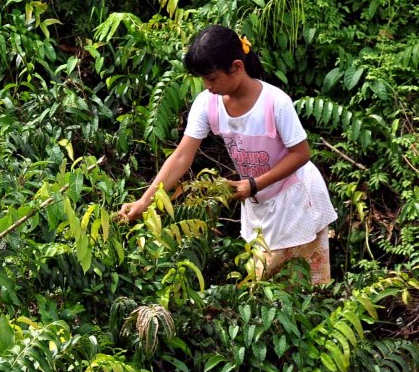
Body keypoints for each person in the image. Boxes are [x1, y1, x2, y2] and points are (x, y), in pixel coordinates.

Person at [117, 25, 338, 284]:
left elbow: (301, 154)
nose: (207, 86)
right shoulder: (207, 103)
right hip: (260, 201)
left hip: (296, 198)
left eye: (211, 78)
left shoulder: (275, 102)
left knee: (298, 287)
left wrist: (253, 184)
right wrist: (144, 202)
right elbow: (181, 156)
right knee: (268, 288)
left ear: (236, 67)